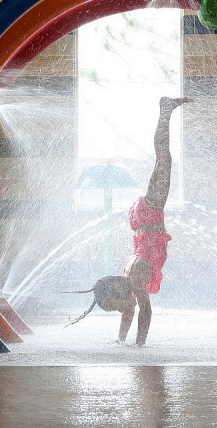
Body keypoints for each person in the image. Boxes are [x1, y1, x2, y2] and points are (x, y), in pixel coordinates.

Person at [66, 96, 191, 346]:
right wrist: (121, 341)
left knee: (163, 159)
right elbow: (130, 311)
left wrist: (139, 346)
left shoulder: (135, 277)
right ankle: (166, 111)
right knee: (163, 161)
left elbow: (146, 312)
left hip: (149, 214)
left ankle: (165, 110)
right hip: (142, 221)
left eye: (115, 306)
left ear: (117, 289)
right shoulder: (130, 281)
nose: (121, 310)